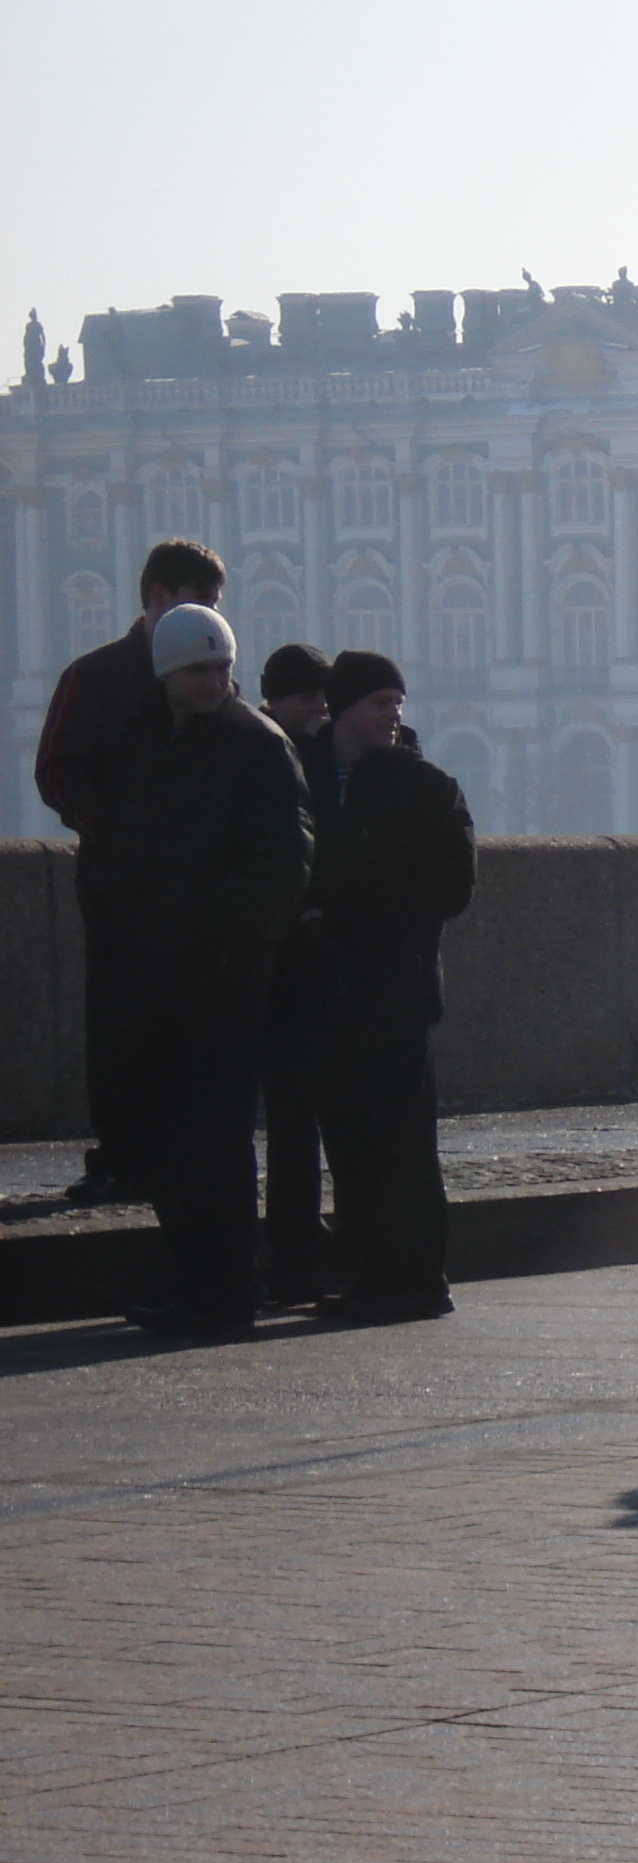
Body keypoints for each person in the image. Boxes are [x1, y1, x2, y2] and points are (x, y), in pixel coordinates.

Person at [96, 605, 312, 1334]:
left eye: (223, 668)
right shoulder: (143, 742)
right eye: (199, 670)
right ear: (167, 674)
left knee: (213, 1136)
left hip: (222, 972)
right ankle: (193, 1278)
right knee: (157, 1127)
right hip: (152, 969)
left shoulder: (257, 746)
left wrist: (216, 927)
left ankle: (223, 1291)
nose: (216, 682)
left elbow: (284, 862)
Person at [33, 539, 229, 1205]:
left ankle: (177, 1148)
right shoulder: (95, 676)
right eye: (196, 601)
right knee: (119, 1017)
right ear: (156, 598)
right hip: (119, 883)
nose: (206, 615)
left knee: (188, 1020)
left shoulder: (212, 672)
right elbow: (56, 768)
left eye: (213, 604)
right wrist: (111, 834)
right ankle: (119, 1150)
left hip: (195, 885)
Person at [301, 651, 475, 1323]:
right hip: (325, 987)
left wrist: (352, 917)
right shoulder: (303, 778)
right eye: (379, 702)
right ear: (343, 708)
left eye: (396, 703)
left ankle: (419, 1278)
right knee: (347, 1141)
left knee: (403, 1142)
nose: (392, 713)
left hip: (395, 987)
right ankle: (368, 1274)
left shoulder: (427, 786)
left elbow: (451, 885)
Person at [256, 645, 334, 1303]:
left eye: (325, 697)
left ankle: (304, 1248)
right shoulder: (265, 754)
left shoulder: (336, 756)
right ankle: (294, 1248)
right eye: (307, 697)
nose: (319, 708)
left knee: (304, 1118)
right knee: (288, 1120)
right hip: (274, 967)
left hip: (315, 969)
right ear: (273, 699)